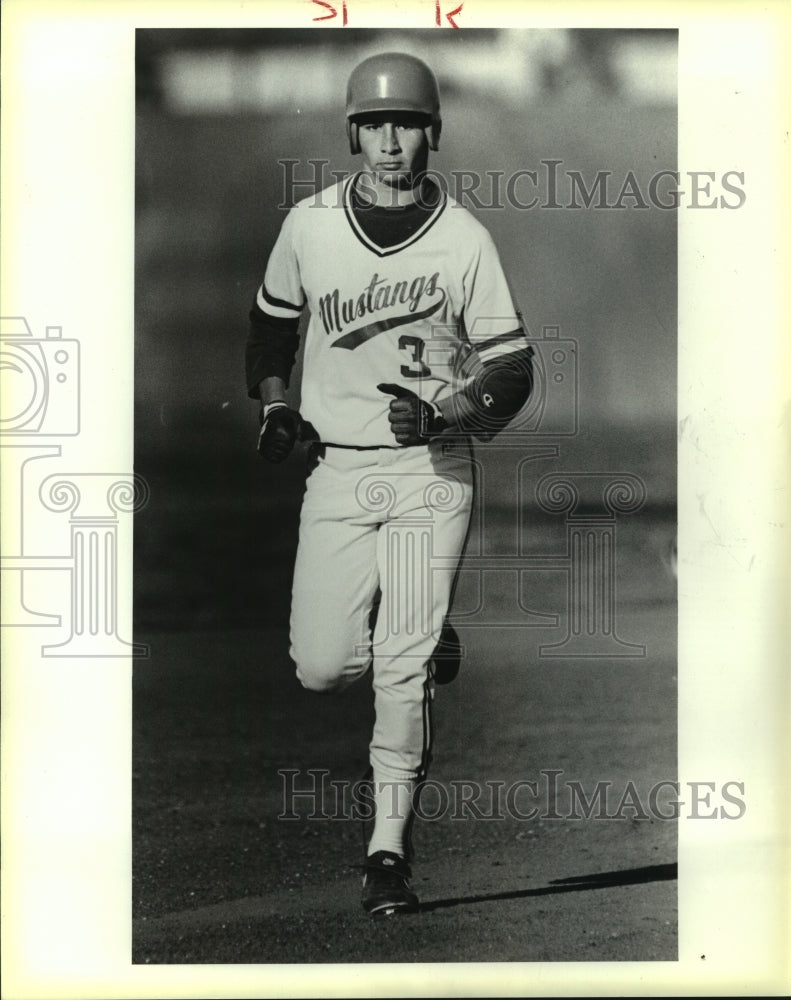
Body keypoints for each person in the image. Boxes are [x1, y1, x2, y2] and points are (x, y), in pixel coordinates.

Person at [245, 51, 533, 916]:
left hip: (428, 474)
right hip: (337, 470)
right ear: (352, 133)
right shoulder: (309, 224)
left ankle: (386, 858)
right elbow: (268, 334)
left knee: (399, 671)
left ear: (432, 133)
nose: (389, 142)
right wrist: (272, 409)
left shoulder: (463, 240)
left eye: (406, 123)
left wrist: (448, 415)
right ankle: (428, 639)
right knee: (323, 667)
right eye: (373, 125)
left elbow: (513, 370)